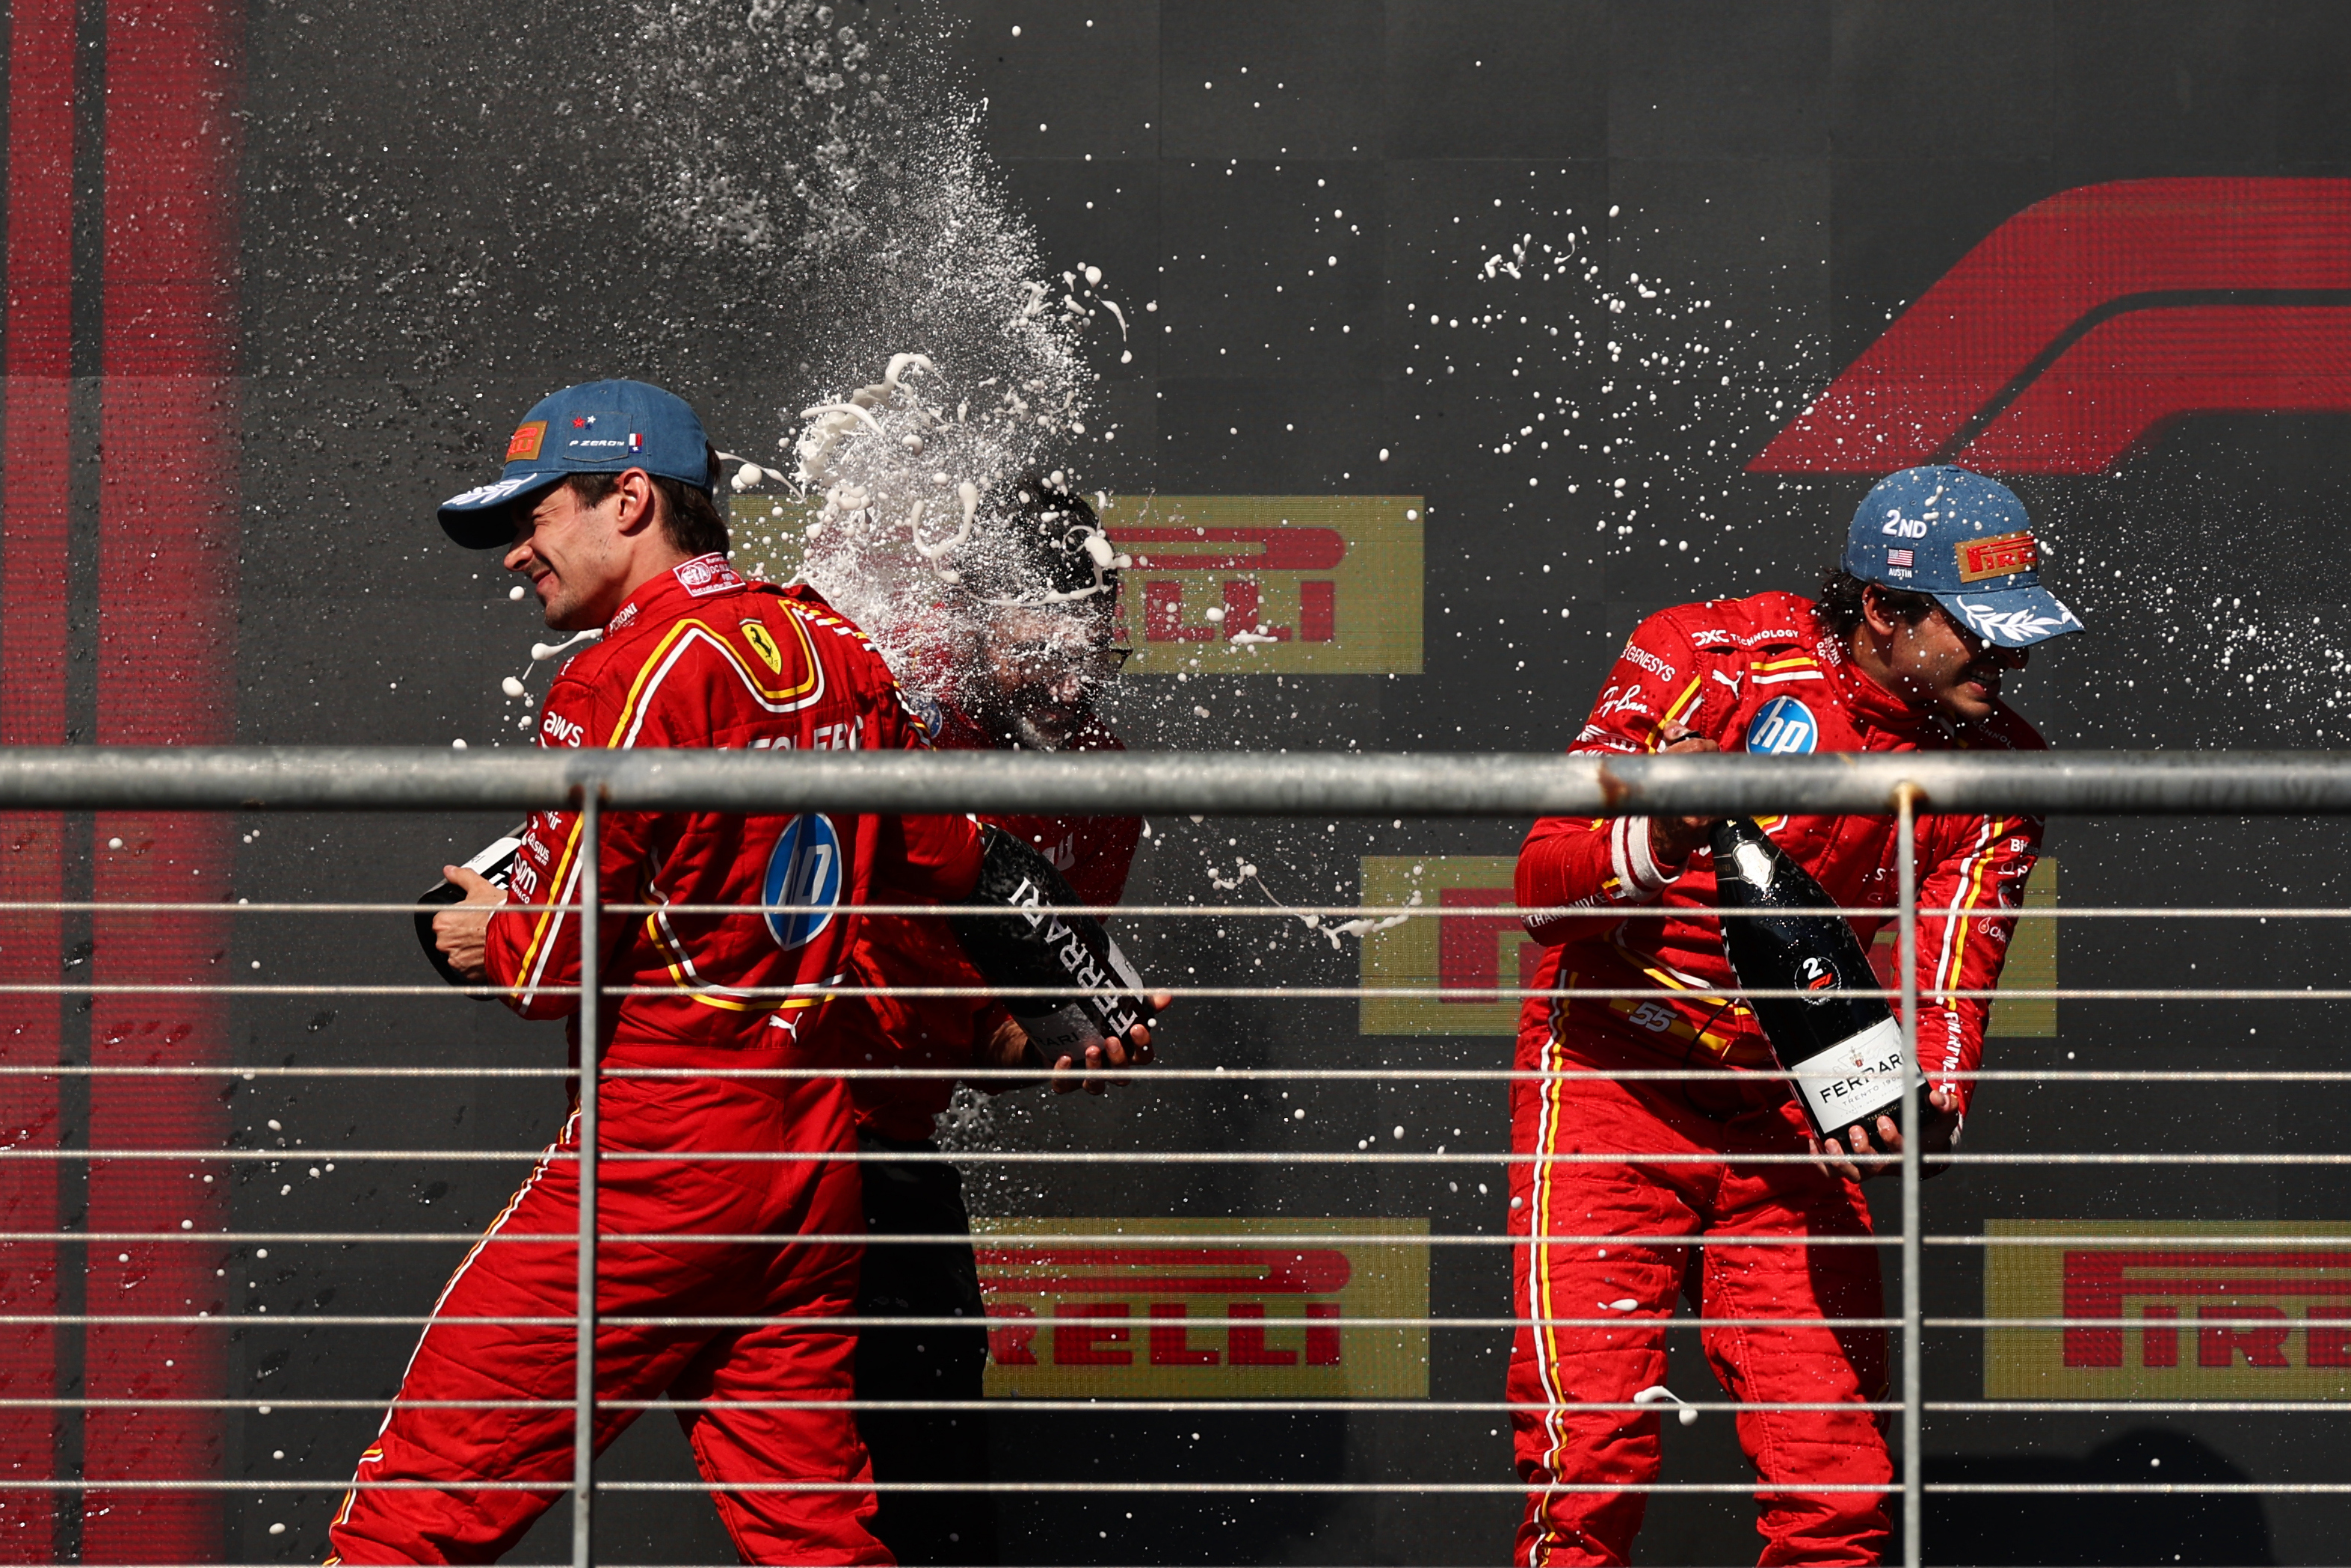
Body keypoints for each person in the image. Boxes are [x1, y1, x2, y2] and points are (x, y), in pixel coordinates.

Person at [327, 381, 1153, 1564]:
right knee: (819, 1537)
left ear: (627, 499)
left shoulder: (622, 676)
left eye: (535, 514)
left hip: (666, 1158)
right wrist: (1083, 981)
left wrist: (481, 936)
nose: (517, 551)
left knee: (410, 1513)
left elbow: (553, 961)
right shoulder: (838, 643)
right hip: (811, 1165)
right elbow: (958, 854)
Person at [1509, 466, 2082, 1566]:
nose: (2008, 661)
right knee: (1585, 1463)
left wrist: (1921, 1101)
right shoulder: (1701, 655)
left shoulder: (2000, 768)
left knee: (1841, 1490)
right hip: (1607, 1090)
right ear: (1883, 607)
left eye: (2019, 633)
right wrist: (1658, 838)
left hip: (1787, 1113)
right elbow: (1540, 892)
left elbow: (1948, 978)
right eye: (1980, 633)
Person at [833, 478, 1143, 1566]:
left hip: (893, 1143)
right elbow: (837, 935)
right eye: (1037, 633)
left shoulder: (1102, 784)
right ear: (970, 616)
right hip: (786, 1125)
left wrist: (1074, 1036)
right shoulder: (892, 702)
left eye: (1089, 635)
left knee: (935, 1486)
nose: (1067, 670)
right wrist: (994, 1032)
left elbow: (1015, 1033)